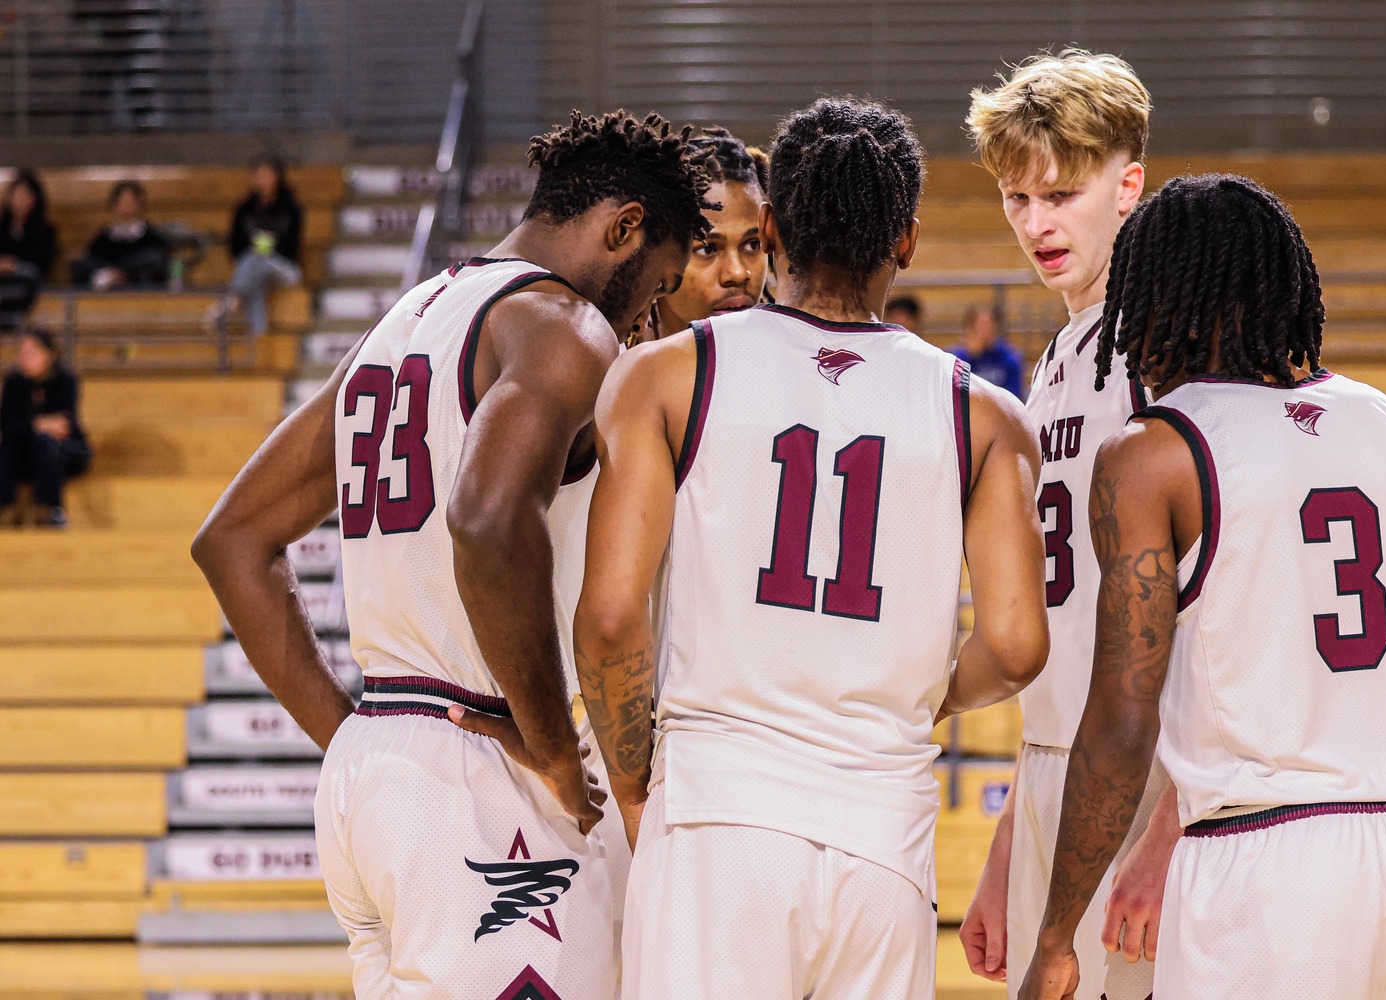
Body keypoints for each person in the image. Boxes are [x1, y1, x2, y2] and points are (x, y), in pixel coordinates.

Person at [190, 110, 712, 1000]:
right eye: (655, 286)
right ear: (622, 228)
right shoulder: (563, 325)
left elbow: (232, 540)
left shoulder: (404, 321)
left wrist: (352, 737)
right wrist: (553, 748)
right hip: (483, 778)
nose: (643, 320)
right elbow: (486, 521)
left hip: (374, 775)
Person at [575, 96, 1050, 1000]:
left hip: (717, 813)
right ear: (906, 242)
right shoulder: (985, 416)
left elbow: (607, 619)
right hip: (882, 836)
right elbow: (1020, 645)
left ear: (774, 230)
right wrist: (926, 697)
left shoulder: (669, 374)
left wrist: (636, 786)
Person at [1015, 173, 1386, 1000]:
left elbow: (1122, 724)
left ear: (1155, 298)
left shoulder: (1155, 453)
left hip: (1262, 864)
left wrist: (1056, 933)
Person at [960, 49, 1172, 1000]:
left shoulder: (1161, 345)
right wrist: (1014, 837)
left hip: (1144, 781)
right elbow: (1068, 627)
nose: (1036, 224)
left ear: (1128, 186)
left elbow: (1217, 606)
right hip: (1058, 772)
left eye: (1061, 195)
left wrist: (1173, 827)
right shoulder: (1055, 357)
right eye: (1017, 198)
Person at [649, 128, 768, 342]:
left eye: (753, 244)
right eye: (707, 248)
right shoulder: (609, 358)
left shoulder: (795, 356)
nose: (738, 273)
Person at [0, 327, 90, 528]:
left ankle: (51, 509)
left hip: (64, 451)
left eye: (31, 353)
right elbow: (8, 426)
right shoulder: (13, 383)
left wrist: (29, 426)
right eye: (21, 353)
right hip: (23, 451)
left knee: (45, 443)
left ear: (48, 355)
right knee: (7, 448)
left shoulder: (65, 381)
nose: (24, 358)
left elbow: (63, 426)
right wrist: (38, 424)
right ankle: (5, 506)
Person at [213, 155, 305, 335]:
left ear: (277, 176)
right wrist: (256, 249)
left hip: (285, 269)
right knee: (255, 280)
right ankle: (259, 336)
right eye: (258, 176)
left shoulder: (291, 208)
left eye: (266, 175)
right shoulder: (244, 209)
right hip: (253, 269)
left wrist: (271, 248)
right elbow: (235, 247)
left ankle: (232, 298)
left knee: (258, 262)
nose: (262, 180)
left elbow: (294, 247)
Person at [70, 180, 170, 289]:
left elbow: (159, 268)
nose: (125, 208)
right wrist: (109, 274)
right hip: (106, 292)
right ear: (114, 205)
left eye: (130, 203)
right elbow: (87, 264)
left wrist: (124, 275)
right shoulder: (103, 240)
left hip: (140, 291)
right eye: (121, 203)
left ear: (139, 205)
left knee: (154, 258)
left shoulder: (152, 239)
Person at [0, 170, 59, 327]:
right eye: (17, 194)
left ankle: (15, 319)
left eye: (26, 195)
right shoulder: (2, 229)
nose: (20, 200)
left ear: (35, 199)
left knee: (27, 274)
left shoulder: (45, 231)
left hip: (27, 281)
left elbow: (42, 263)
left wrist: (15, 265)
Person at [951, 304, 1025, 397]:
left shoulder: (1009, 357)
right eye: (981, 326)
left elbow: (1014, 394)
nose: (985, 331)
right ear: (970, 328)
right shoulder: (958, 358)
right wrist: (972, 354)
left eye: (989, 325)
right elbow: (955, 393)